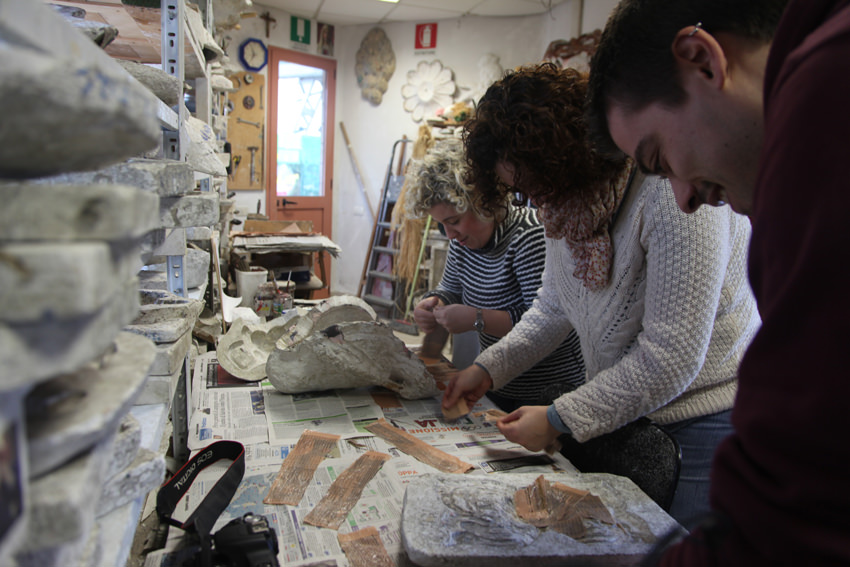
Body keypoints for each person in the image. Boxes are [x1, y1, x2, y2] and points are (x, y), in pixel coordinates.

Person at [585, 0, 850, 564]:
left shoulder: (824, 101)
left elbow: (793, 515)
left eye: (660, 158)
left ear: (702, 61)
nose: (683, 199)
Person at [443, 63, 760, 524]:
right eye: (519, 192)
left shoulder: (668, 195)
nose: (531, 201)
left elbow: (671, 357)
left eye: (530, 186)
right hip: (632, 411)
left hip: (703, 420)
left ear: (561, 161)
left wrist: (557, 418)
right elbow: (553, 308)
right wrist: (487, 369)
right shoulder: (568, 206)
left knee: (678, 548)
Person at [404, 138, 585, 411]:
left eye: (453, 221)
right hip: (499, 379)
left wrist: (476, 318)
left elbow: (541, 322)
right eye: (442, 224)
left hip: (548, 389)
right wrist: (432, 304)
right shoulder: (462, 242)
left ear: (483, 201)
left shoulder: (530, 236)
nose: (450, 234)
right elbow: (450, 289)